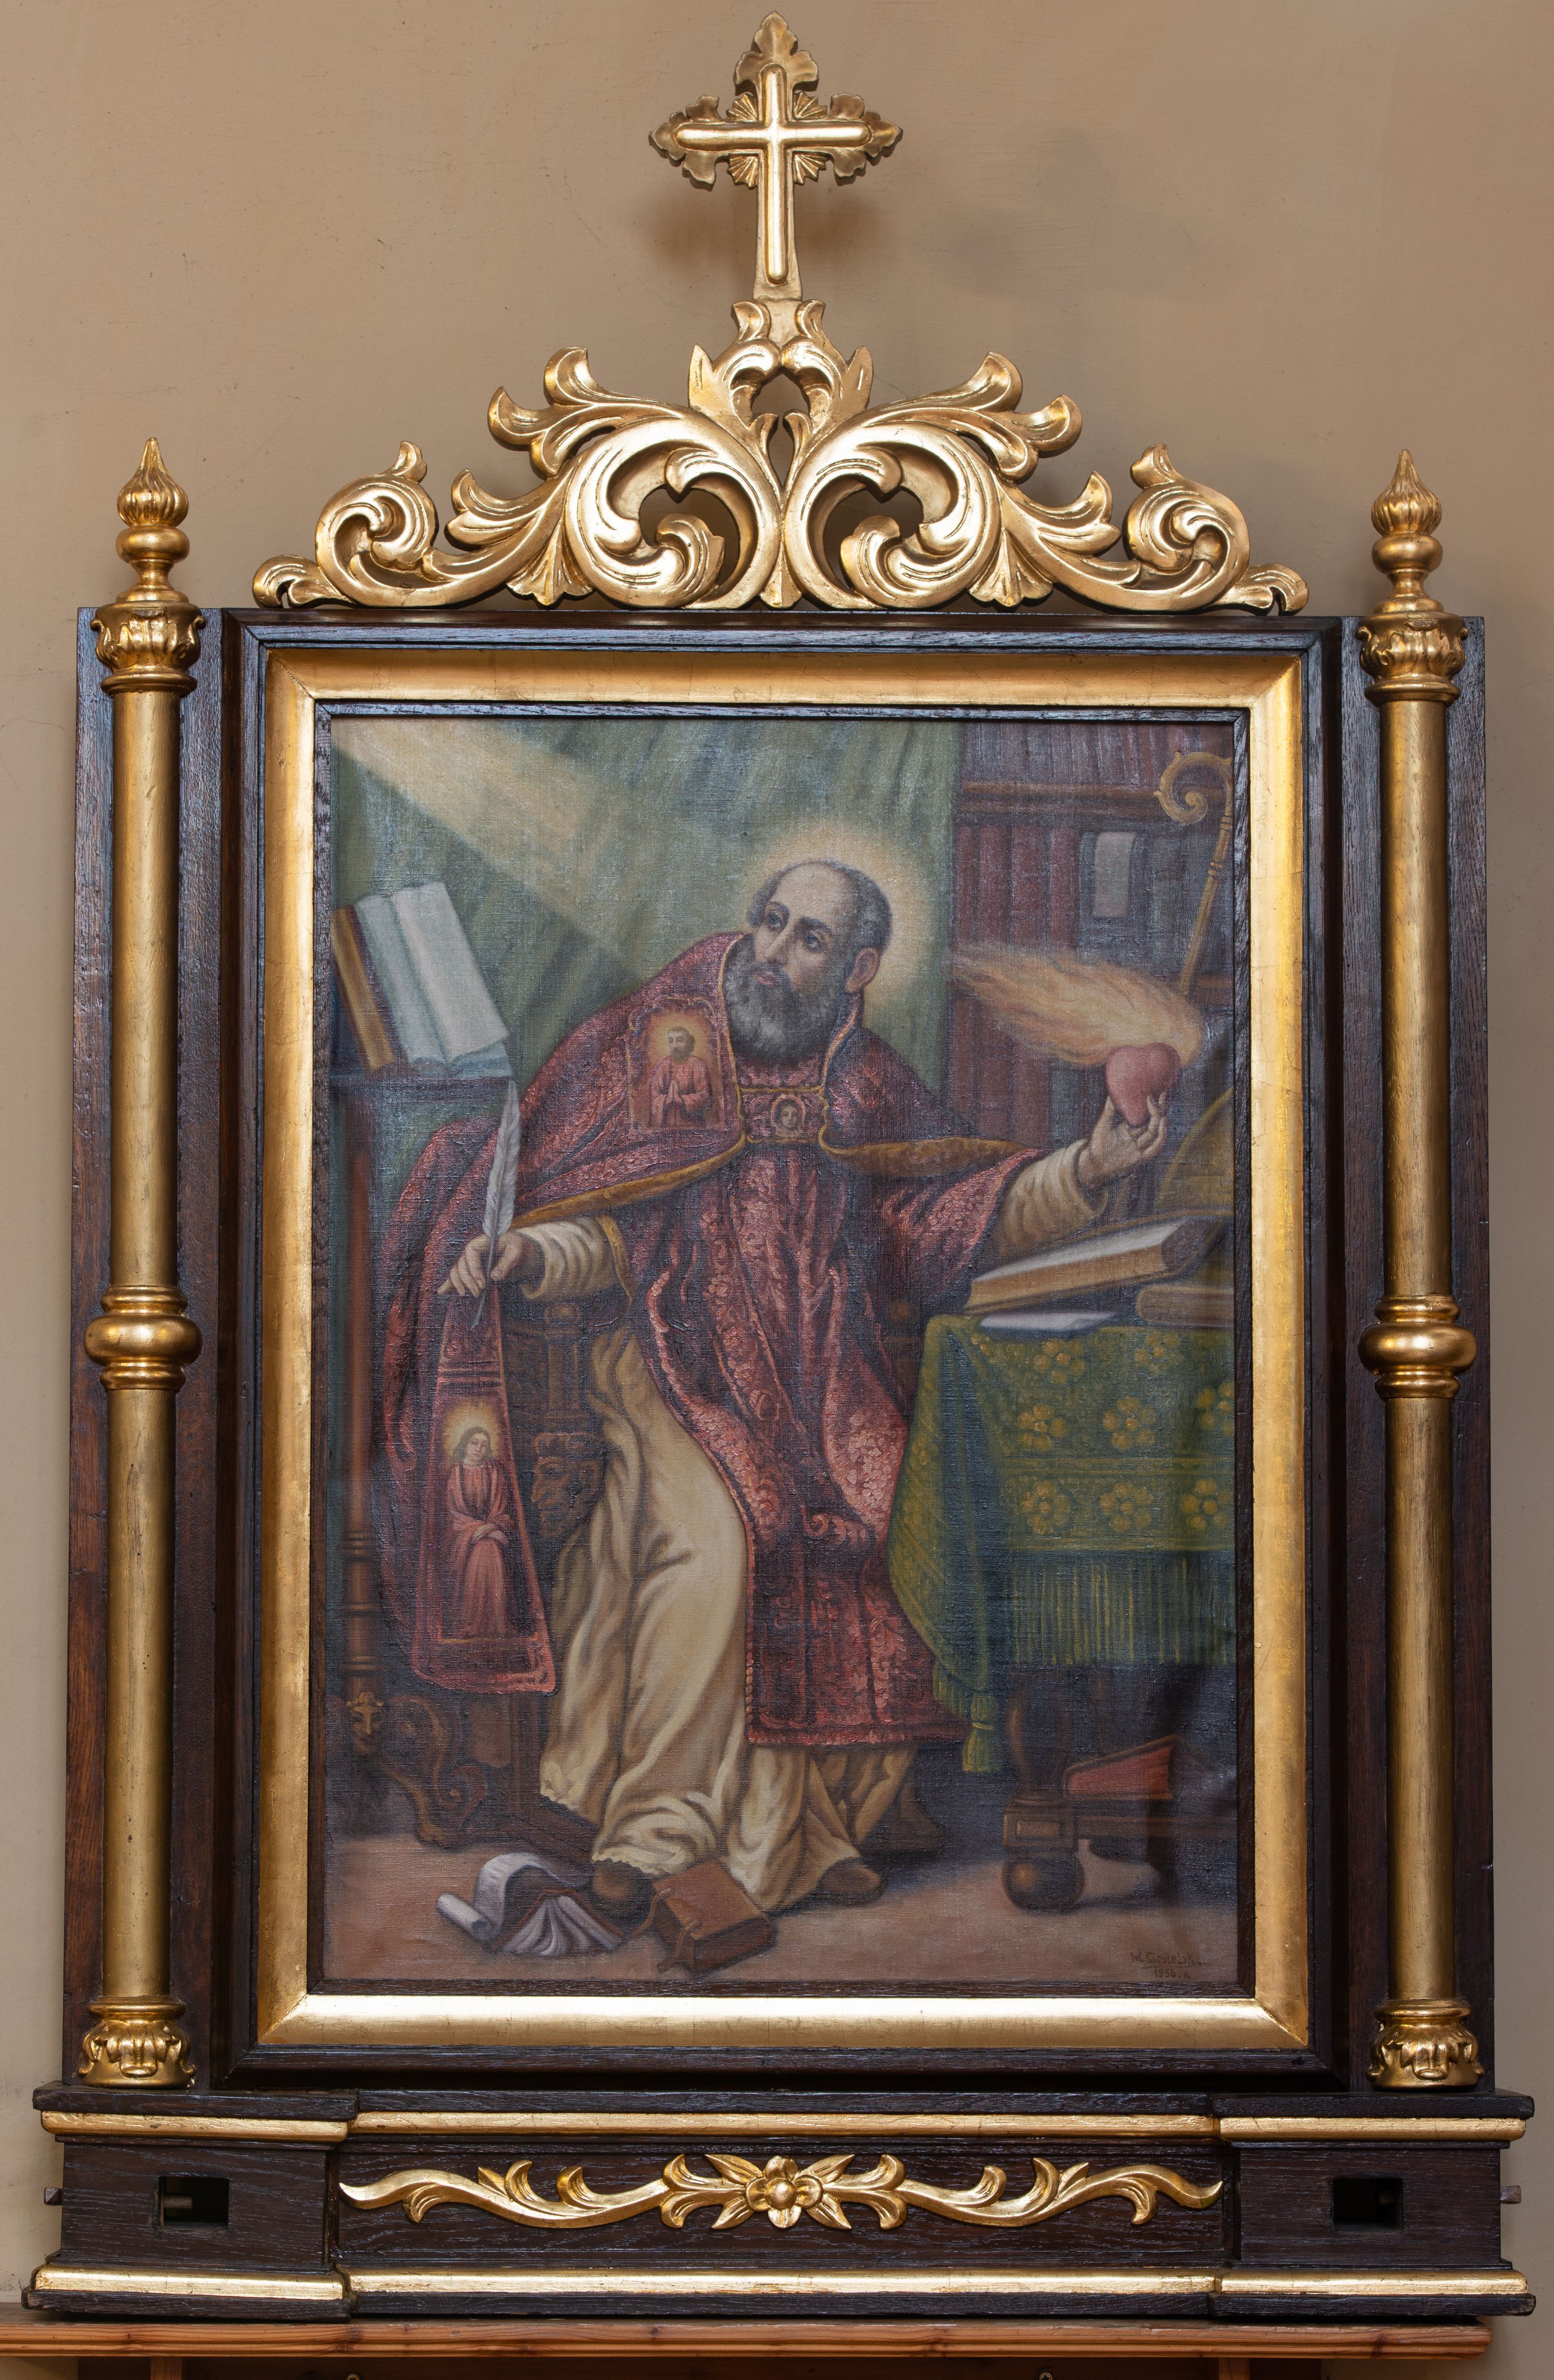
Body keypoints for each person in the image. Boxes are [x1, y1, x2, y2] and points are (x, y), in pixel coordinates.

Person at [382, 860, 1164, 1928]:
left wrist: (1087, 1167)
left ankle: (802, 1829)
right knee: (719, 1544)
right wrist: (528, 1253)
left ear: (859, 970)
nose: (776, 951)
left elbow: (943, 1219)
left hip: (819, 1382)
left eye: (810, 939)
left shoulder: (866, 1086)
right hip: (669, 1366)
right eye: (773, 921)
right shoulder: (670, 1061)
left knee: (898, 1522)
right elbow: (608, 1227)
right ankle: (654, 1835)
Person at [442, 1424, 513, 1639]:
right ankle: (472, 1622)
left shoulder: (495, 1472)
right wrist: (485, 1530)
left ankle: (494, 1624)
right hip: (461, 1537)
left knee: (488, 1548)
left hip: (490, 1534)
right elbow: (453, 1516)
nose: (479, 1449)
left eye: (484, 1445)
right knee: (486, 1547)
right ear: (465, 1444)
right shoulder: (455, 1474)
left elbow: (501, 1511)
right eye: (474, 1443)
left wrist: (489, 1529)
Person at [648, 1022, 714, 1129]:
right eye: (671, 1041)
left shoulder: (698, 1065)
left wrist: (682, 1100)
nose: (675, 1045)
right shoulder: (662, 1066)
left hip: (693, 1125)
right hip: (667, 1125)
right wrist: (666, 1100)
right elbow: (654, 1097)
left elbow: (705, 1096)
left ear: (689, 1043)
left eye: (680, 1040)